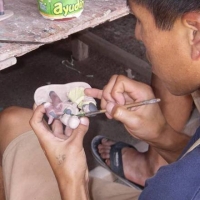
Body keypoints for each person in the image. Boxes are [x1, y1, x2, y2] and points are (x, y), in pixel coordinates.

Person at [1, 0, 200, 199]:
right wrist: (161, 134)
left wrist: (72, 181)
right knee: (14, 120)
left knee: (13, 124)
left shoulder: (178, 188)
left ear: (195, 33)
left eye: (140, 21)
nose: (137, 34)